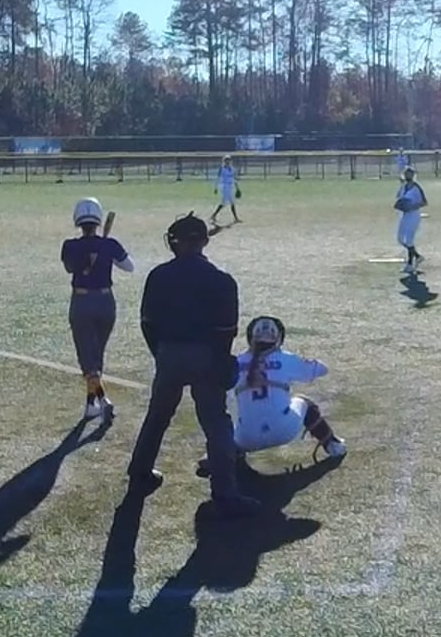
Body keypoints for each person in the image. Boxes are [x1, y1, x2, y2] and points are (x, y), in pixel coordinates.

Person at [129, 214, 259, 516]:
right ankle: (225, 494)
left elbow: (147, 323)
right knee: (216, 423)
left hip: (169, 353)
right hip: (207, 355)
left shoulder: (159, 276)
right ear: (204, 241)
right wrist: (219, 360)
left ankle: (140, 471)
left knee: (158, 416)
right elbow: (227, 329)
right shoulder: (222, 280)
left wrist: (161, 354)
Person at [205, 316, 346, 472]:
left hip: (247, 438)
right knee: (304, 402)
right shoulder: (286, 358)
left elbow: (216, 386)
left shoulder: (236, 362)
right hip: (284, 431)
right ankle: (333, 446)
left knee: (228, 423)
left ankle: (216, 458)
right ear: (278, 338)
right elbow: (323, 369)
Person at [63, 198, 133, 423]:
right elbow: (129, 267)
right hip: (106, 303)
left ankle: (103, 400)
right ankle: (90, 405)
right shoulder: (109, 244)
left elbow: (70, 267)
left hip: (82, 302)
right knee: (96, 355)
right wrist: (105, 250)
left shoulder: (70, 246)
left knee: (88, 359)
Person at [394, 166, 428, 277]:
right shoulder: (404, 186)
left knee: (409, 240)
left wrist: (412, 206)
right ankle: (417, 256)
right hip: (405, 215)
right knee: (400, 239)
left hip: (413, 215)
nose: (408, 175)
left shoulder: (416, 187)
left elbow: (424, 202)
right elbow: (398, 198)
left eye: (410, 174)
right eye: (406, 174)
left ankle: (409, 264)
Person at [211, 156, 241, 225]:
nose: (228, 162)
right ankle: (214, 215)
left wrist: (237, 188)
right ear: (224, 161)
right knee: (224, 203)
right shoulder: (222, 169)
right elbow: (218, 178)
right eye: (226, 160)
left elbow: (234, 179)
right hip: (224, 187)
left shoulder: (232, 169)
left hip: (231, 187)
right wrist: (215, 188)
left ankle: (235, 218)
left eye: (229, 160)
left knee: (232, 202)